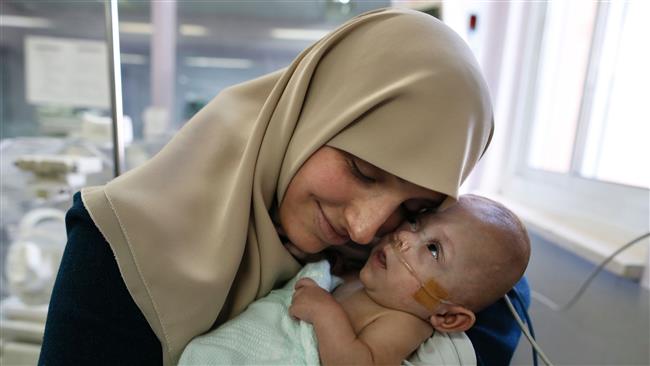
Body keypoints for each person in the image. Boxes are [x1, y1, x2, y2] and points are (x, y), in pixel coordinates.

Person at [39, 7, 528, 366]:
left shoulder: (460, 288)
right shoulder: (118, 243)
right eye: (362, 170)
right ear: (311, 115)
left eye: (417, 208)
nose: (365, 231)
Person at [177, 195, 530, 365]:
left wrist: (326, 314)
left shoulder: (403, 321)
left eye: (434, 250)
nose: (404, 238)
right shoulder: (370, 280)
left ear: (448, 317)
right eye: (418, 222)